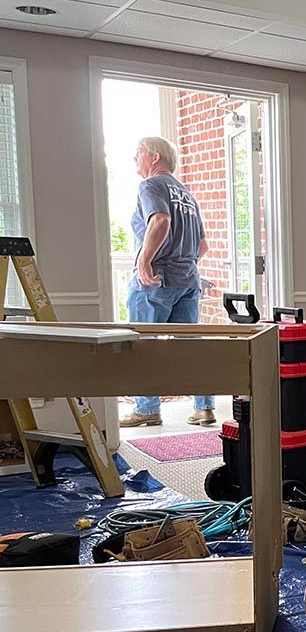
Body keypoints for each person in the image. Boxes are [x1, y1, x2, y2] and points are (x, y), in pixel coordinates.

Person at [119, 136, 216, 427]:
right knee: (190, 346)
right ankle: (204, 407)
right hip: (187, 281)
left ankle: (147, 409)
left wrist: (144, 261)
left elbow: (160, 221)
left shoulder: (151, 185)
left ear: (154, 156)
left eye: (137, 155)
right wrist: (184, 264)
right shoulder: (186, 194)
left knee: (140, 344)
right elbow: (202, 245)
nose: (134, 161)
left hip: (155, 281)